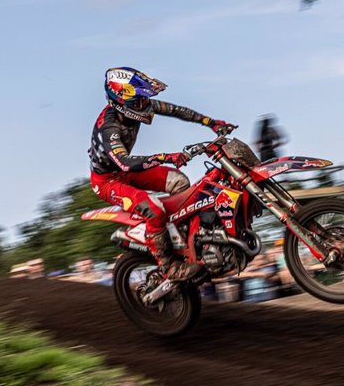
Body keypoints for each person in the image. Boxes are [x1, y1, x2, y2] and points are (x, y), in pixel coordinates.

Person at [89, 67, 236, 281]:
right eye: (139, 101)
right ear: (120, 102)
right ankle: (169, 267)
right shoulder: (109, 128)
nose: (145, 104)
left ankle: (190, 241)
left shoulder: (136, 107)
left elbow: (176, 110)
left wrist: (210, 122)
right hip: (108, 181)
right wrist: (167, 157)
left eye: (144, 98)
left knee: (179, 182)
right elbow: (125, 162)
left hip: (127, 171)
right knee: (154, 211)